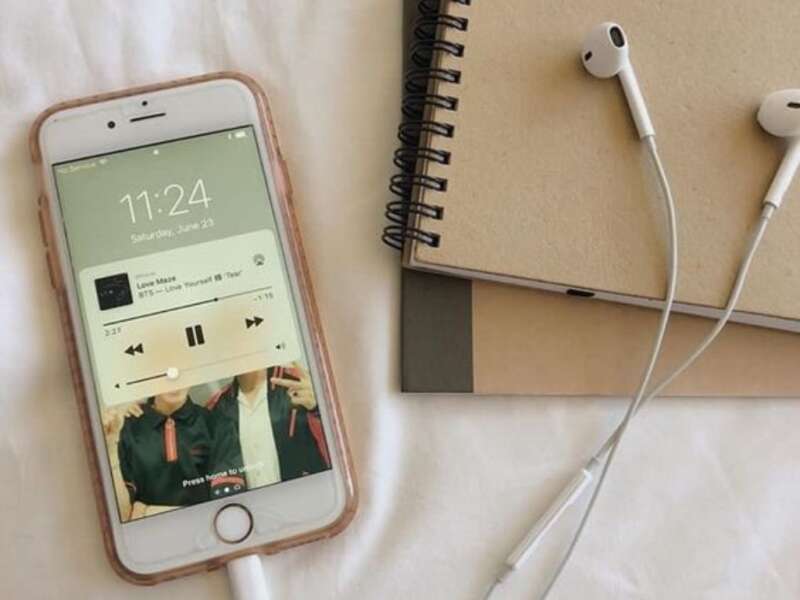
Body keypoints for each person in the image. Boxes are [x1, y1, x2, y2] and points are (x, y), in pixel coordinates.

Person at [103, 387, 244, 522]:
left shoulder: (218, 426)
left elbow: (228, 510)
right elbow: (122, 515)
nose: (172, 377)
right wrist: (110, 446)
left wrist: (145, 512)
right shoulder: (125, 429)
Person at [207, 361, 330, 490]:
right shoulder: (217, 407)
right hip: (253, 501)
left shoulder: (301, 384)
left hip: (312, 494)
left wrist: (319, 408)